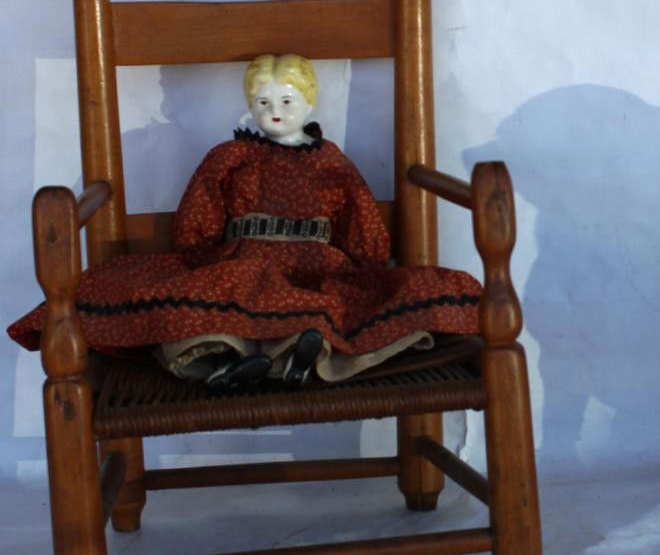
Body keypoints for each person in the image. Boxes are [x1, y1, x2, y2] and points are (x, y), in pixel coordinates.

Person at [9, 54, 481, 388]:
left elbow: (359, 217)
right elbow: (199, 213)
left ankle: (294, 359)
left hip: (313, 267)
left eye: (287, 102)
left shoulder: (330, 163)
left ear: (310, 103)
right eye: (263, 103)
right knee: (203, 304)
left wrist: (367, 265)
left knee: (323, 307)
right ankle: (222, 363)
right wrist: (200, 254)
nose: (274, 113)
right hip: (242, 260)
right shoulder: (232, 157)